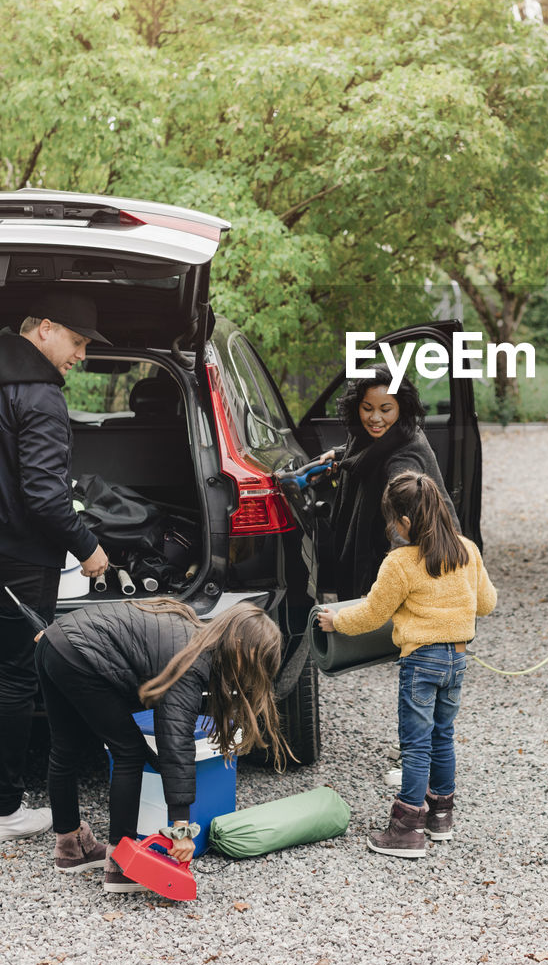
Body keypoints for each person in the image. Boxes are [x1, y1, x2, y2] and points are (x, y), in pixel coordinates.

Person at [34, 598, 288, 891]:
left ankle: (70, 848)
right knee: (128, 751)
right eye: (254, 665)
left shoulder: (193, 635)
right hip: (77, 652)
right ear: (240, 644)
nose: (249, 677)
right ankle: (121, 865)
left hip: (53, 642)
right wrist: (181, 827)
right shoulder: (192, 661)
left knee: (64, 749)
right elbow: (176, 743)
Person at [318, 470, 497, 859]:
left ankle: (407, 830)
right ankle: (440, 818)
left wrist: (336, 621)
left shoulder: (400, 562)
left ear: (404, 522)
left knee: (416, 746)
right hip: (457, 660)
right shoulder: (467, 550)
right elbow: (486, 604)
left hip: (421, 661)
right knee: (442, 736)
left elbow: (371, 614)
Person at [0, 293, 110, 842]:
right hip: (20, 559)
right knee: (14, 677)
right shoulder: (39, 395)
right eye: (78, 340)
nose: (82, 355)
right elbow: (45, 498)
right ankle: (5, 811)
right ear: (45, 329)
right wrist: (88, 547)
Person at [321, 366, 461, 600]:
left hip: (412, 553)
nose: (375, 418)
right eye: (367, 408)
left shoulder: (405, 462)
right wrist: (339, 454)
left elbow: (404, 533)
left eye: (385, 409)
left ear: (401, 409)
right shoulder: (377, 433)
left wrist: (391, 587)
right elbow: (369, 451)